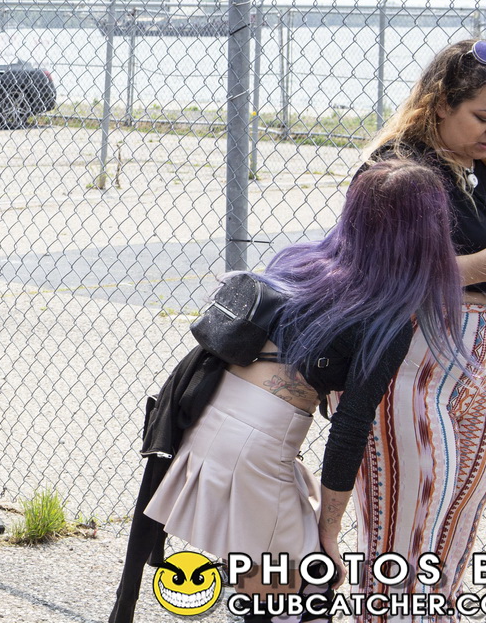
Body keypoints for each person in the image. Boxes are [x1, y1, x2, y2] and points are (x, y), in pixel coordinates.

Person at [137, 160, 467, 618]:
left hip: (208, 426)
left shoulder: (298, 262)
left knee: (264, 591)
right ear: (429, 233)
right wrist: (329, 534)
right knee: (302, 597)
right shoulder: (387, 319)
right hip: (257, 450)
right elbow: (349, 429)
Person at [352, 38, 486, 615]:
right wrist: (479, 267)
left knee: (456, 528)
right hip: (410, 356)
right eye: (484, 116)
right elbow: (371, 274)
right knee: (402, 527)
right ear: (440, 103)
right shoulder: (395, 170)